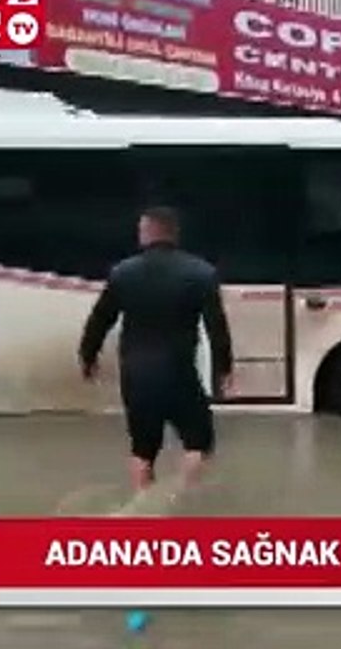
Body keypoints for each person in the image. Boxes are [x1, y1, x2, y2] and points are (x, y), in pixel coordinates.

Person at [78, 207, 233, 494]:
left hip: (137, 375)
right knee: (200, 442)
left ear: (148, 232)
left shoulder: (122, 273)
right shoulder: (201, 273)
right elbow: (217, 328)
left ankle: (145, 510)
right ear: (174, 234)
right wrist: (224, 368)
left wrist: (88, 358)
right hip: (179, 372)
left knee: (142, 449)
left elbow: (99, 321)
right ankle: (181, 498)